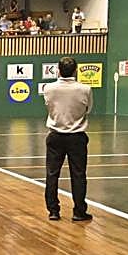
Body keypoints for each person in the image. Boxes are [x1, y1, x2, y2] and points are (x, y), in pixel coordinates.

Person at [43, 56, 93, 222]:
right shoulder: (85, 89)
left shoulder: (49, 88)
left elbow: (49, 106)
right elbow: (88, 109)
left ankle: (53, 211)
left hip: (55, 136)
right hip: (77, 137)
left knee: (52, 174)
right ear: (76, 70)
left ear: (58, 70)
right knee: (78, 175)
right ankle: (79, 211)